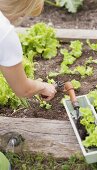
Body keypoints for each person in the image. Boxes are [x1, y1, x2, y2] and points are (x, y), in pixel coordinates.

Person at [0, 0, 57, 169]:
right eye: (24, 14)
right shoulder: (4, 33)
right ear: (20, 9)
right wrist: (42, 86)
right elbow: (23, 89)